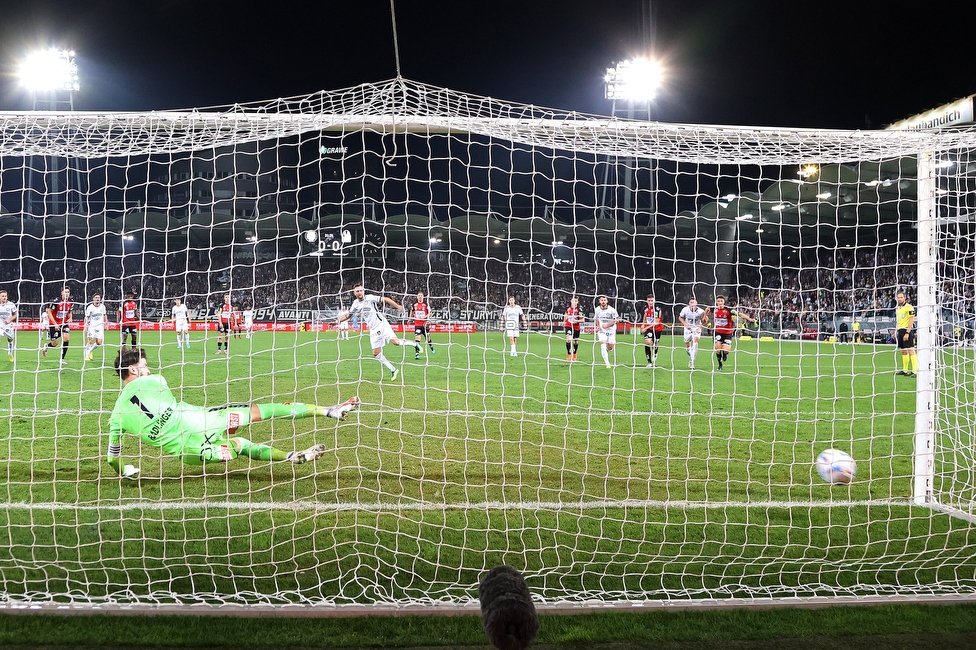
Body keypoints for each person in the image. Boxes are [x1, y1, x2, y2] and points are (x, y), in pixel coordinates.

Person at [106, 347, 360, 478]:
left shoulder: (116, 416)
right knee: (262, 411)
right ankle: (328, 411)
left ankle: (292, 456)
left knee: (240, 444)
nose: (148, 370)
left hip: (191, 453)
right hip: (203, 421)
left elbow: (111, 458)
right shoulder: (156, 381)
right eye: (144, 366)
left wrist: (125, 470)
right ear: (134, 370)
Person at [336, 284, 417, 380]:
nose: (359, 292)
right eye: (357, 291)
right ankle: (393, 369)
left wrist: (398, 306)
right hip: (373, 330)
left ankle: (414, 344)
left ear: (364, 291)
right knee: (376, 353)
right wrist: (337, 321)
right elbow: (348, 315)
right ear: (354, 293)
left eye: (361, 290)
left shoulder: (370, 298)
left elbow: (386, 299)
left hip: (381, 325)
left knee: (396, 342)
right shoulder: (355, 304)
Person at [710, 295, 755, 371]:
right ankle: (720, 365)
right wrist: (704, 316)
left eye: (721, 301)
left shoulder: (729, 310)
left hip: (727, 333)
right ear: (716, 302)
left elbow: (740, 314)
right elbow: (707, 309)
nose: (720, 302)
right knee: (718, 350)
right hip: (717, 332)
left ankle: (725, 354)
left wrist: (749, 319)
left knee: (726, 351)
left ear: (724, 302)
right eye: (718, 301)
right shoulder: (714, 309)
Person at [43, 287, 74, 364]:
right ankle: (46, 346)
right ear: (62, 293)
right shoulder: (56, 301)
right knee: (55, 343)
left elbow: (70, 312)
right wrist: (55, 324)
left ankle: (62, 359)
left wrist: (70, 318)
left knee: (66, 338)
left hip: (64, 323)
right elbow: (49, 312)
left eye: (68, 292)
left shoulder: (71, 302)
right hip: (54, 324)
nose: (67, 294)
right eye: (65, 292)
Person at [678, 297, 708, 369]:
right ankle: (690, 358)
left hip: (696, 328)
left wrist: (700, 327)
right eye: (691, 302)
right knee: (688, 347)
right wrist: (685, 324)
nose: (692, 304)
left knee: (695, 341)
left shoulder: (700, 311)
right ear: (689, 303)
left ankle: (692, 362)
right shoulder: (685, 309)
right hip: (687, 328)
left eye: (693, 302)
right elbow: (680, 317)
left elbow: (705, 321)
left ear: (696, 303)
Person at [593, 295, 619, 369]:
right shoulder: (597, 309)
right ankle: (607, 363)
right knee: (603, 345)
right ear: (599, 301)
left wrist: (608, 325)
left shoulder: (612, 310)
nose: (603, 301)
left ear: (607, 301)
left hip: (611, 330)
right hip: (602, 330)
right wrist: (597, 326)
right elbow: (597, 319)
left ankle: (607, 350)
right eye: (602, 300)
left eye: (604, 300)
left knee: (610, 347)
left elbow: (617, 320)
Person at [895, 290, 917, 377]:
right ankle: (905, 370)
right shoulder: (899, 308)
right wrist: (895, 331)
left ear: (905, 298)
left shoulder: (909, 307)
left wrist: (907, 332)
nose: (899, 299)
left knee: (911, 350)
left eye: (901, 297)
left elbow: (911, 319)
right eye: (898, 297)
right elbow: (899, 321)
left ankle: (915, 371)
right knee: (904, 351)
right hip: (900, 330)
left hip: (906, 330)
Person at [639, 294, 665, 367]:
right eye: (649, 301)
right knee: (647, 342)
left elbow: (656, 322)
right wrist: (643, 325)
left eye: (652, 301)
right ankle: (649, 362)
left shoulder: (657, 310)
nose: (650, 302)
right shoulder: (646, 309)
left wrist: (645, 328)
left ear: (654, 301)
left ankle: (655, 353)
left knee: (655, 345)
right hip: (649, 329)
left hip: (657, 329)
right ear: (647, 301)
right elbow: (645, 317)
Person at [410, 291, 436, 359]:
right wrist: (410, 318)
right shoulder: (414, 305)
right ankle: (417, 354)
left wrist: (424, 317)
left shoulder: (426, 305)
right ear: (417, 297)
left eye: (421, 295)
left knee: (428, 339)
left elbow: (431, 313)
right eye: (419, 295)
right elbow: (412, 311)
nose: (420, 297)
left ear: (423, 297)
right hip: (417, 324)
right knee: (417, 339)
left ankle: (431, 347)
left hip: (425, 324)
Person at [83, 293, 108, 361]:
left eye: (99, 297)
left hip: (100, 327)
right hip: (92, 327)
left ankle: (90, 350)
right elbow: (86, 317)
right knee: (90, 340)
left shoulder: (103, 306)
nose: (97, 299)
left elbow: (105, 315)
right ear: (93, 299)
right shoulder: (90, 307)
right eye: (96, 297)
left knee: (99, 342)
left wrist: (106, 323)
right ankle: (87, 355)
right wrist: (85, 326)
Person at [563, 296, 583, 361]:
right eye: (573, 300)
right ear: (571, 301)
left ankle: (574, 354)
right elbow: (565, 314)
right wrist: (564, 321)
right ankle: (569, 354)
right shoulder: (568, 308)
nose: (574, 302)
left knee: (576, 341)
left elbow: (583, 320)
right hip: (568, 325)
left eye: (576, 301)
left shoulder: (580, 310)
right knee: (568, 339)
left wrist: (576, 321)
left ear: (578, 302)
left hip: (576, 327)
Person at [0, 290, 17, 363]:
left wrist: (9, 320)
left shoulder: (11, 304)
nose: (4, 298)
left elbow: (15, 315)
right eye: (2, 296)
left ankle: (10, 353)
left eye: (5, 296)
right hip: (0, 324)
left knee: (10, 339)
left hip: (8, 325)